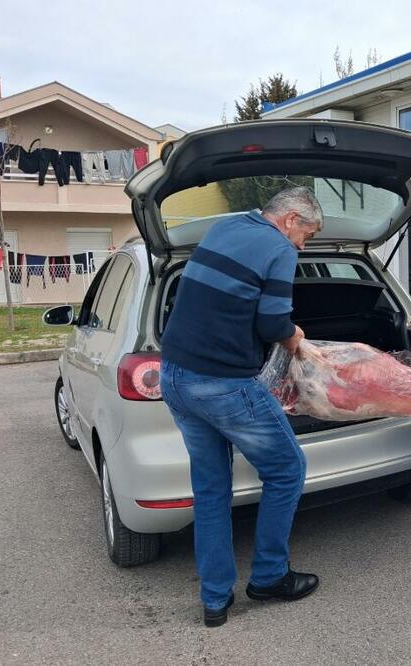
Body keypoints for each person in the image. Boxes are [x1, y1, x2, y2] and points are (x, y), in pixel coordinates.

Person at [160, 187, 324, 626]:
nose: (302, 246)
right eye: (306, 235)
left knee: (211, 488)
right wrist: (296, 337)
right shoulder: (278, 247)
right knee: (287, 469)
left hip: (174, 375)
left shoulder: (226, 225)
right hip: (222, 383)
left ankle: (215, 600)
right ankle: (269, 576)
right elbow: (272, 322)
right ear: (291, 219)